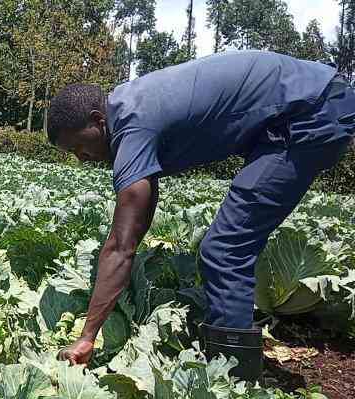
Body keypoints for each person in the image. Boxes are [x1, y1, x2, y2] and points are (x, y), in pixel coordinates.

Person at [50, 50, 355, 381]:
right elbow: (137, 225)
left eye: (78, 147)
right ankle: (232, 353)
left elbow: (122, 247)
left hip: (311, 112)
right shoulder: (129, 105)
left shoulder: (133, 126)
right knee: (224, 246)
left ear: (98, 121)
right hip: (309, 102)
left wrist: (87, 336)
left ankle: (236, 388)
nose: (81, 158)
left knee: (224, 250)